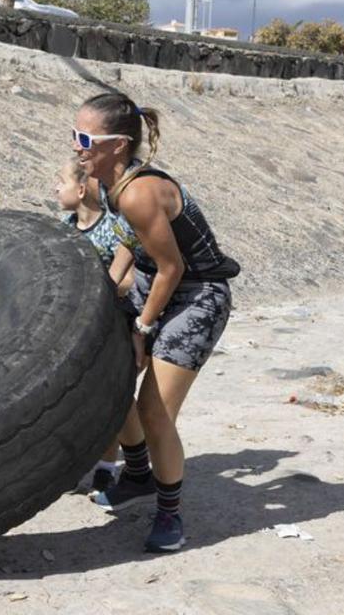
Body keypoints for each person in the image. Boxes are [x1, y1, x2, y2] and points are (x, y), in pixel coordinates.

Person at [72, 90, 240, 553]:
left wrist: (142, 329)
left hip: (197, 295)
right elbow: (133, 240)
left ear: (118, 145)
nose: (76, 146)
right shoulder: (109, 183)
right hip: (153, 283)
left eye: (84, 137)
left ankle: (170, 514)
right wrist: (109, 286)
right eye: (74, 134)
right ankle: (139, 474)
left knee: (154, 410)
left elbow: (174, 268)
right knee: (111, 378)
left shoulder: (141, 191)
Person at [53, 157, 137, 495]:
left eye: (60, 180)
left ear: (83, 188)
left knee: (108, 400)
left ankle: (105, 467)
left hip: (110, 325)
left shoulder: (113, 228)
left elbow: (128, 278)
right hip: (74, 329)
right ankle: (75, 465)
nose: (55, 187)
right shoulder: (63, 226)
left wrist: (96, 288)